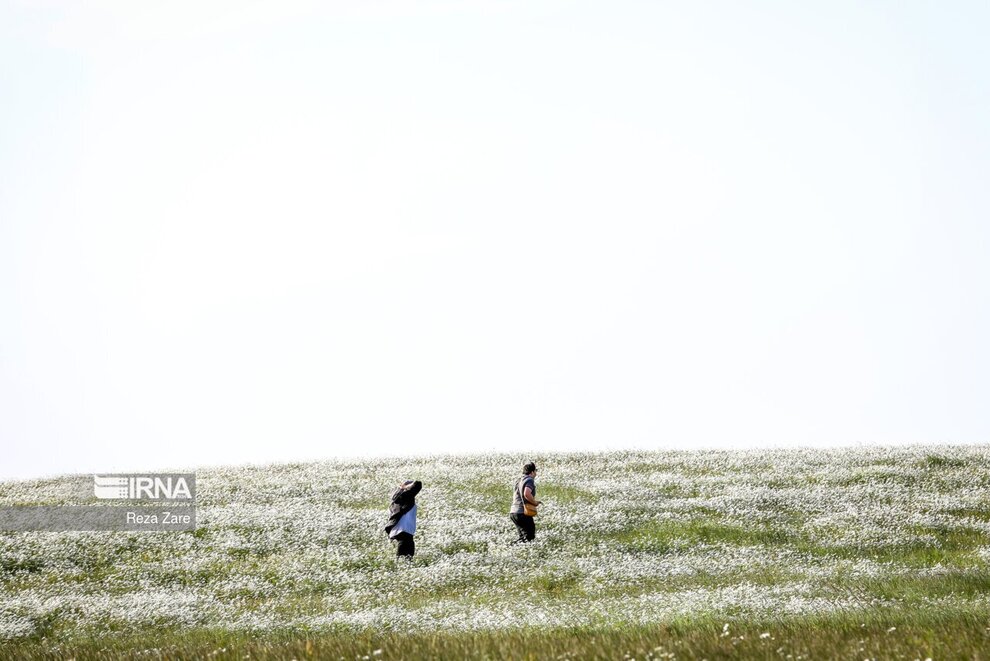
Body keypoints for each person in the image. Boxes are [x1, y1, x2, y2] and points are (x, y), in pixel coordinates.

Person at [385, 479, 422, 560]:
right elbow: (418, 483)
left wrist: (402, 487)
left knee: (408, 550)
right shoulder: (405, 496)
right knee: (405, 551)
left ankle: (403, 565)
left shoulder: (397, 497)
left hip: (402, 529)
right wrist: (405, 486)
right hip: (403, 529)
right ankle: (400, 565)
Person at [509, 462, 541, 543]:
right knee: (529, 536)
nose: (536, 473)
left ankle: (513, 549)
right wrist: (534, 502)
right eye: (535, 471)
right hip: (522, 512)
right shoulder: (529, 480)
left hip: (514, 512)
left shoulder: (519, 480)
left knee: (523, 537)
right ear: (532, 472)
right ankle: (511, 546)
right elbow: (526, 493)